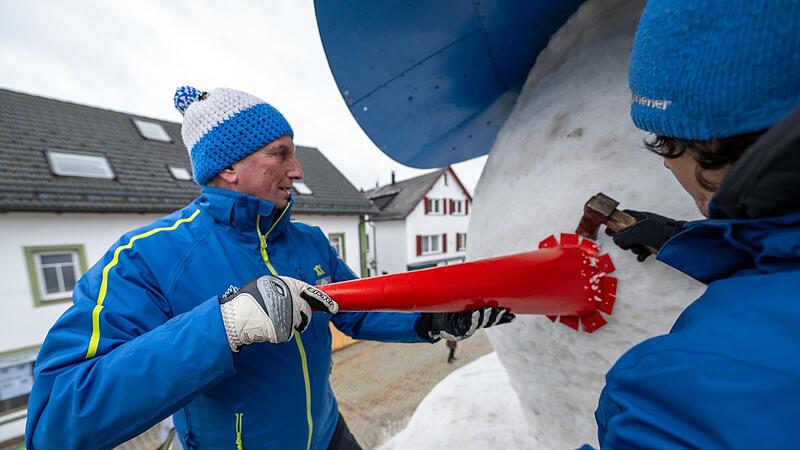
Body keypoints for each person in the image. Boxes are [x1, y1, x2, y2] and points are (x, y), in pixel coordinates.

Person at [24, 86, 514, 450]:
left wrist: (430, 319)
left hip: (330, 436)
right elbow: (56, 420)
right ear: (229, 167)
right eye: (280, 154)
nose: (298, 171)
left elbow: (355, 307)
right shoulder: (145, 258)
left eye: (294, 154)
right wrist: (225, 326)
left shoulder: (307, 242)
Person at [585, 1, 800, 448]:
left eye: (666, 143)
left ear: (718, 144)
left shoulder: (681, 399)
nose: (667, 167)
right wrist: (684, 238)